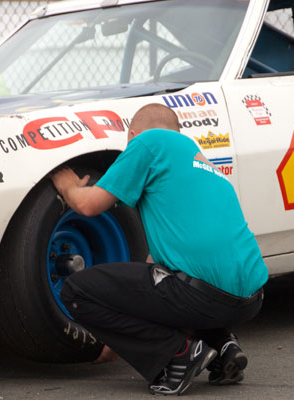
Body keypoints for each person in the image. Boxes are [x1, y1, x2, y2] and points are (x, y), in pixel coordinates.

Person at [51, 103, 268, 395]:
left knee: (76, 291)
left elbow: (88, 205)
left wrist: (68, 187)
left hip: (201, 296)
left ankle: (178, 354)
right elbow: (155, 272)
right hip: (250, 299)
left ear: (133, 134)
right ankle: (224, 346)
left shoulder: (148, 142)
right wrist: (120, 333)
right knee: (174, 282)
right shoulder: (205, 166)